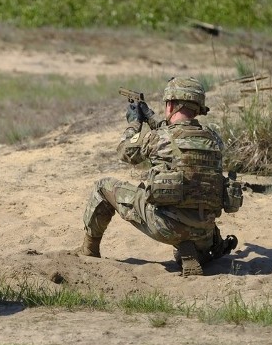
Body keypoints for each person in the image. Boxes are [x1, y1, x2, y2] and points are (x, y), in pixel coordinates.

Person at [78, 77, 241, 276]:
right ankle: (191, 251)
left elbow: (125, 152)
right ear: (198, 107)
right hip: (205, 232)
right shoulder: (214, 139)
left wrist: (134, 124)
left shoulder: (157, 138)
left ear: (170, 104)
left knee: (103, 187)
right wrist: (152, 118)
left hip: (166, 227)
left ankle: (89, 250)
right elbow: (178, 133)